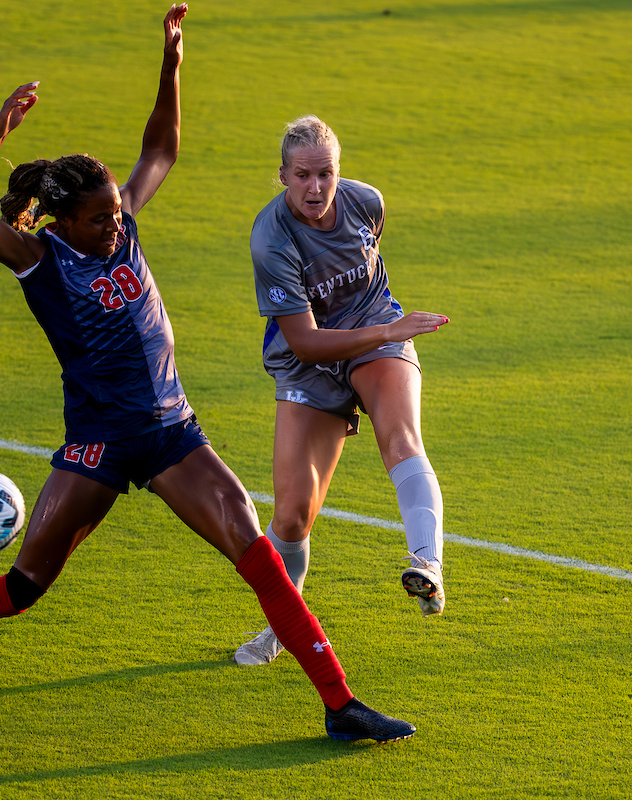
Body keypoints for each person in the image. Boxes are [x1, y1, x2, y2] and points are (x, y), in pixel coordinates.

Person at [0, 6, 415, 743]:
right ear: (62, 219)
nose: (116, 224)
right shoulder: (39, 259)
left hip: (172, 431)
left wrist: (171, 63)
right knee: (24, 586)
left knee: (256, 551)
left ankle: (340, 703)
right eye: (101, 217)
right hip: (100, 446)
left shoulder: (124, 222)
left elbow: (162, 148)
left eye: (116, 212)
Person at [234, 115, 450, 667]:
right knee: (291, 515)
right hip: (309, 360)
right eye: (302, 175)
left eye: (325, 173)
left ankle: (427, 565)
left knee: (400, 439)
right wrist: (387, 332)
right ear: (282, 175)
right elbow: (305, 343)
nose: (315, 187)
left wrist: (379, 335)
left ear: (339, 172)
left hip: (376, 333)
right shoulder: (271, 240)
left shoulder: (366, 203)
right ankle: (284, 625)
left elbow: (369, 261)